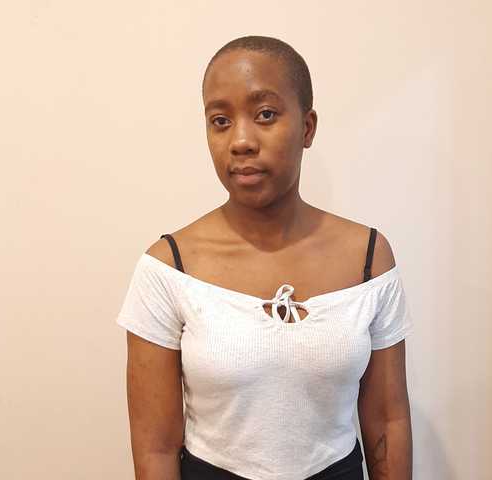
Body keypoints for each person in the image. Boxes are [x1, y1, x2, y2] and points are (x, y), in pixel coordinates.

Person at [116, 35, 414, 480]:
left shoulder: (368, 258)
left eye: (266, 115)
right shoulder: (169, 267)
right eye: (220, 121)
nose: (240, 141)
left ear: (307, 128)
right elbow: (156, 448)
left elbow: (388, 420)